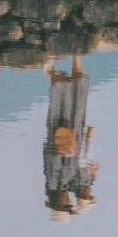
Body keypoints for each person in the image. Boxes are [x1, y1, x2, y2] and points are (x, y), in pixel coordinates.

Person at [42, 54, 98, 221]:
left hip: (61, 133)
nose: (68, 203)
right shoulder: (66, 185)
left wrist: (63, 152)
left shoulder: (53, 183)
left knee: (61, 96)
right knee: (76, 96)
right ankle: (74, 56)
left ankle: (49, 67)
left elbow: (49, 156)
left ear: (57, 204)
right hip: (73, 136)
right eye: (69, 205)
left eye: (66, 206)